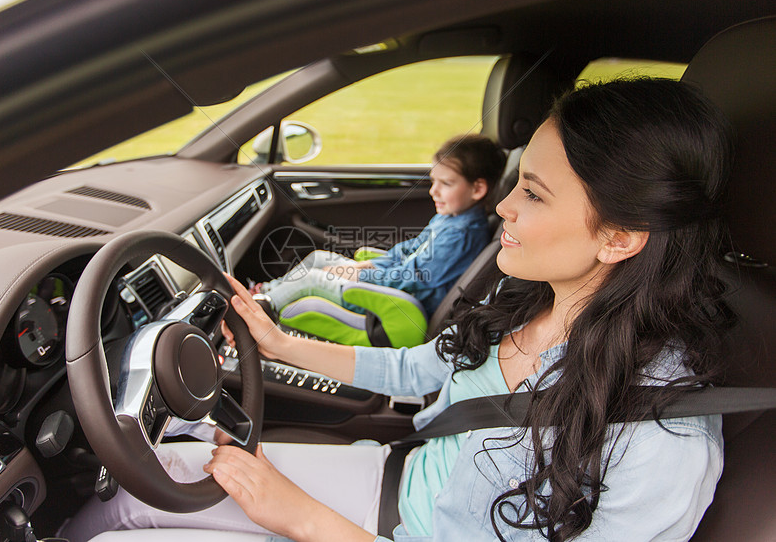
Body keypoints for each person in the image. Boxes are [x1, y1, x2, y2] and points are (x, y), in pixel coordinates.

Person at [62, 78, 735, 542]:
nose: (502, 206)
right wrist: (281, 343)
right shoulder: (527, 296)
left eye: (531, 192)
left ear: (619, 236)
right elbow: (418, 369)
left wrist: (303, 518)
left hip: (377, 529)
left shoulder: (664, 440)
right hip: (393, 480)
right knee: (140, 482)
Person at [253, 133, 507, 316]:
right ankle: (266, 290)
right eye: (433, 181)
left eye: (446, 184)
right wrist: (372, 264)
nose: (433, 192)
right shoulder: (449, 218)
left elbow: (412, 280)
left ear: (478, 189)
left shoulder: (462, 236)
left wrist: (360, 275)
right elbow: (409, 250)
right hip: (392, 284)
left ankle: (260, 309)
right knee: (319, 258)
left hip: (398, 303)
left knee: (309, 279)